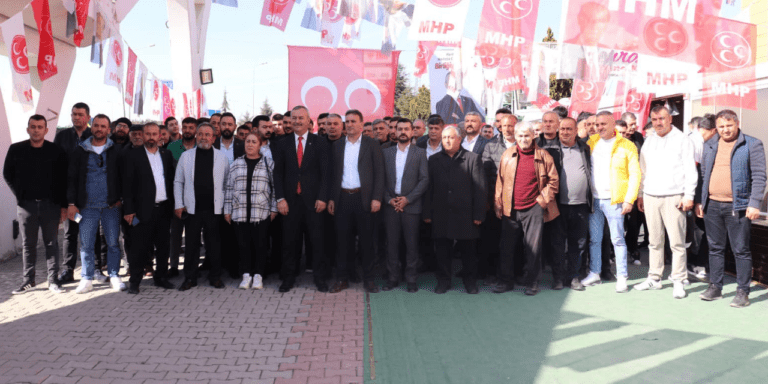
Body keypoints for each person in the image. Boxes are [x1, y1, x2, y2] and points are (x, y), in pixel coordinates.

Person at [696, 109, 766, 308]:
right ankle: (715, 287)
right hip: (712, 205)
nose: (725, 130)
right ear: (716, 127)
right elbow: (703, 174)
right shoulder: (710, 144)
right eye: (721, 126)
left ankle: (743, 291)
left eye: (729, 125)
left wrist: (754, 203)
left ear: (737, 123)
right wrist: (701, 201)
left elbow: (760, 176)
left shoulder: (751, 144)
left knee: (741, 250)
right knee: (715, 248)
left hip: (739, 206)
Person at [634, 106, 697, 299]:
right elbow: (642, 170)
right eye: (654, 119)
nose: (658, 123)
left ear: (669, 118)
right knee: (654, 241)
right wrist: (641, 194)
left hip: (674, 196)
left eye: (661, 118)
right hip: (651, 196)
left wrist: (689, 196)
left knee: (677, 242)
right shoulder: (649, 141)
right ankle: (654, 277)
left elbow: (690, 170)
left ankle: (678, 280)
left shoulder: (682, 140)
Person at [4, 115, 68, 294]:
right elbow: (7, 173)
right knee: (28, 244)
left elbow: (63, 180)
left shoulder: (56, 151)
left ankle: (53, 280)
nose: (36, 130)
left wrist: (63, 205)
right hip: (26, 207)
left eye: (40, 127)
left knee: (51, 243)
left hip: (51, 206)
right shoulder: (16, 149)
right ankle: (28, 281)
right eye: (33, 126)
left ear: (46, 130)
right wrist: (21, 196)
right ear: (28, 129)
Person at [493, 122, 558, 296]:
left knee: (533, 248)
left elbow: (553, 182)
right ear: (515, 137)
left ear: (533, 136)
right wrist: (498, 203)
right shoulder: (507, 155)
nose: (523, 139)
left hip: (534, 208)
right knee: (506, 247)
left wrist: (542, 201)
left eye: (526, 135)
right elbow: (500, 181)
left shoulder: (544, 156)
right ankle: (505, 281)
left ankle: (532, 282)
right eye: (520, 136)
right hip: (510, 208)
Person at [580, 112, 641, 293]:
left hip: (615, 200)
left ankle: (622, 276)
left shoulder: (627, 145)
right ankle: (595, 272)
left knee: (617, 240)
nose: (599, 127)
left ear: (613, 124)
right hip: (594, 200)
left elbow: (635, 174)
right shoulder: (591, 142)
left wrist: (629, 199)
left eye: (603, 124)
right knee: (595, 240)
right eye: (597, 124)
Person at [272, 106, 330, 292]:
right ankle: (288, 278)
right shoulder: (282, 143)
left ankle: (320, 279)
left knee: (318, 242)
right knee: (289, 242)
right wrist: (280, 198)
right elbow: (277, 173)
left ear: (308, 120)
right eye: (294, 118)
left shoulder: (320, 143)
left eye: (300, 118)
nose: (297, 121)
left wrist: (322, 198)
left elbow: (325, 174)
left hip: (314, 202)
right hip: (289, 202)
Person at [423, 125, 486, 294]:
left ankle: (470, 282)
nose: (447, 141)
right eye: (444, 138)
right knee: (442, 250)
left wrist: (479, 214)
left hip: (466, 214)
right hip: (441, 213)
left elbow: (480, 189)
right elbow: (429, 188)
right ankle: (443, 280)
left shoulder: (472, 158)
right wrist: (427, 213)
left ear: (459, 139)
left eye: (451, 137)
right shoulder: (434, 160)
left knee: (469, 251)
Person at [327, 110, 385, 293]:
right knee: (342, 241)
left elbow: (379, 173)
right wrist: (331, 198)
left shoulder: (372, 144)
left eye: (354, 121)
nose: (350, 124)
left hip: (364, 199)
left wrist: (376, 198)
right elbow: (332, 176)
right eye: (347, 121)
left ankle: (369, 280)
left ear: (361, 124)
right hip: (343, 198)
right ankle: (342, 279)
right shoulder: (336, 145)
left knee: (367, 242)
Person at [67, 114, 125, 294]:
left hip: (111, 206)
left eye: (103, 126)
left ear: (109, 129)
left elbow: (124, 177)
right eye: (96, 125)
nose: (99, 129)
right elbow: (71, 179)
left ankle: (114, 275)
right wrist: (71, 203)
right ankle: (86, 278)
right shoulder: (80, 151)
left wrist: (120, 199)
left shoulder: (116, 151)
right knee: (86, 244)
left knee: (113, 243)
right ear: (91, 127)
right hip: (86, 206)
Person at [174, 123, 230, 291]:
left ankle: (215, 277)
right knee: (191, 245)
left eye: (208, 134)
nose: (204, 137)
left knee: (214, 245)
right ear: (196, 136)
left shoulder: (222, 157)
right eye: (201, 134)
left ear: (214, 138)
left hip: (215, 210)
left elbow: (227, 184)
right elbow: (178, 181)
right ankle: (190, 278)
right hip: (192, 210)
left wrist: (226, 208)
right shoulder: (186, 157)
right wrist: (178, 204)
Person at [121, 123, 176, 294]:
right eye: (148, 134)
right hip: (142, 211)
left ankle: (160, 278)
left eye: (155, 134)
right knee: (139, 247)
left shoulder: (166, 155)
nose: (151, 137)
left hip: (164, 209)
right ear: (143, 136)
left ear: (160, 135)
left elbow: (172, 180)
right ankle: (135, 282)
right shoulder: (132, 156)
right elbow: (127, 185)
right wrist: (129, 210)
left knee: (163, 246)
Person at [224, 132, 278, 290]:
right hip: (239, 212)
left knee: (260, 245)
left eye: (254, 142)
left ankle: (258, 276)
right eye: (248, 141)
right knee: (243, 245)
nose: (250, 144)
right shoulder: (236, 164)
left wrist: (274, 209)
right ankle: (246, 275)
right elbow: (229, 188)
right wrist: (227, 210)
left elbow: (275, 189)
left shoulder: (268, 163)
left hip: (261, 212)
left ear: (260, 145)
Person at [381, 118, 429, 293]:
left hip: (411, 206)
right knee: (391, 244)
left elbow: (424, 180)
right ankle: (392, 278)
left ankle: (411, 279)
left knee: (411, 245)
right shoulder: (386, 152)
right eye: (399, 129)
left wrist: (408, 199)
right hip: (390, 206)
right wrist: (389, 199)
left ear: (412, 132)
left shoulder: (420, 153)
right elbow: (381, 180)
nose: (402, 132)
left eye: (406, 129)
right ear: (395, 131)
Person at [55, 102, 92, 284]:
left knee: (92, 234)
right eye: (74, 114)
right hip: (69, 198)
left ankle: (94, 270)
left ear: (88, 117)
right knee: (70, 234)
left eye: (80, 114)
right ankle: (68, 270)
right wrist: (64, 202)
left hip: (90, 197)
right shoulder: (62, 137)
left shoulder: (94, 136)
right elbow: (56, 167)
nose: (76, 117)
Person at [480, 114, 517, 285]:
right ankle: (492, 273)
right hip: (496, 201)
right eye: (504, 126)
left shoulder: (525, 144)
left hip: (518, 200)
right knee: (493, 238)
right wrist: (493, 200)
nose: (508, 129)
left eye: (511, 126)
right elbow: (486, 175)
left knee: (516, 239)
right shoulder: (491, 146)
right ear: (499, 127)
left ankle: (514, 274)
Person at [556, 118, 592, 291]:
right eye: (562, 129)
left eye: (569, 129)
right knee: (557, 243)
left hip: (581, 205)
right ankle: (558, 277)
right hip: (557, 206)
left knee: (578, 243)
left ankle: (573, 276)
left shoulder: (585, 149)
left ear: (576, 130)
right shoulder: (552, 150)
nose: (565, 132)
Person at [536, 111, 567, 288]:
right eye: (545, 121)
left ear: (558, 124)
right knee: (537, 242)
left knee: (557, 242)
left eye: (551, 122)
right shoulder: (534, 144)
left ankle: (558, 278)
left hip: (561, 200)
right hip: (539, 199)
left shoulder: (564, 143)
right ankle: (535, 277)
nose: (547, 124)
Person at [214, 112, 246, 278]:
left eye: (230, 124)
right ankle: (217, 269)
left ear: (234, 126)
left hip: (237, 197)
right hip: (215, 196)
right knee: (216, 234)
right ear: (219, 126)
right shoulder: (212, 144)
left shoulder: (242, 145)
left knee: (235, 234)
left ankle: (234, 268)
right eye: (223, 124)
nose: (226, 127)